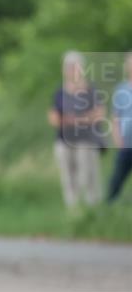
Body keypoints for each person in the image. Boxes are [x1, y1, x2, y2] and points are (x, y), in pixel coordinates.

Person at [49, 51, 106, 208]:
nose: (72, 70)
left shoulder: (90, 90)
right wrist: (75, 120)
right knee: (68, 177)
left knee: (88, 174)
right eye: (68, 67)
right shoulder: (60, 92)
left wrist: (75, 120)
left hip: (86, 140)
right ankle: (73, 208)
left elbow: (99, 114)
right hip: (64, 141)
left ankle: (92, 207)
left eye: (75, 66)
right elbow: (54, 117)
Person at [106, 52, 132, 203]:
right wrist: (117, 138)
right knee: (117, 179)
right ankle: (109, 207)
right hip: (126, 143)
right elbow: (115, 117)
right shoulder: (121, 89)